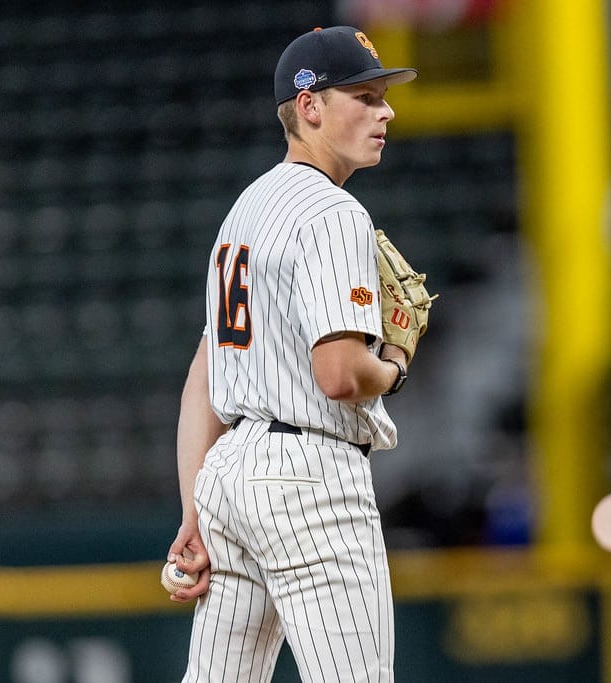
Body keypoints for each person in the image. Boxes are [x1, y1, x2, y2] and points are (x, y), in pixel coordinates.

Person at [165, 26, 419, 682]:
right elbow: (338, 376)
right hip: (309, 476)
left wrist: (195, 509)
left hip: (229, 475)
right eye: (364, 96)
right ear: (310, 107)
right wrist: (391, 364)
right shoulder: (333, 213)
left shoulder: (244, 212)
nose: (385, 110)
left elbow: (204, 376)